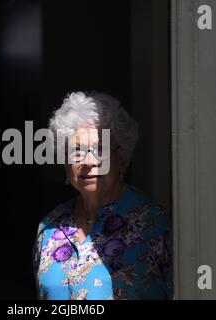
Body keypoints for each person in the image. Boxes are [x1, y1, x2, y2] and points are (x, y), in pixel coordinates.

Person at [32, 91, 172, 300]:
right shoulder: (49, 227)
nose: (88, 161)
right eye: (76, 151)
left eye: (100, 149)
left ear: (121, 157)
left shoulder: (155, 222)